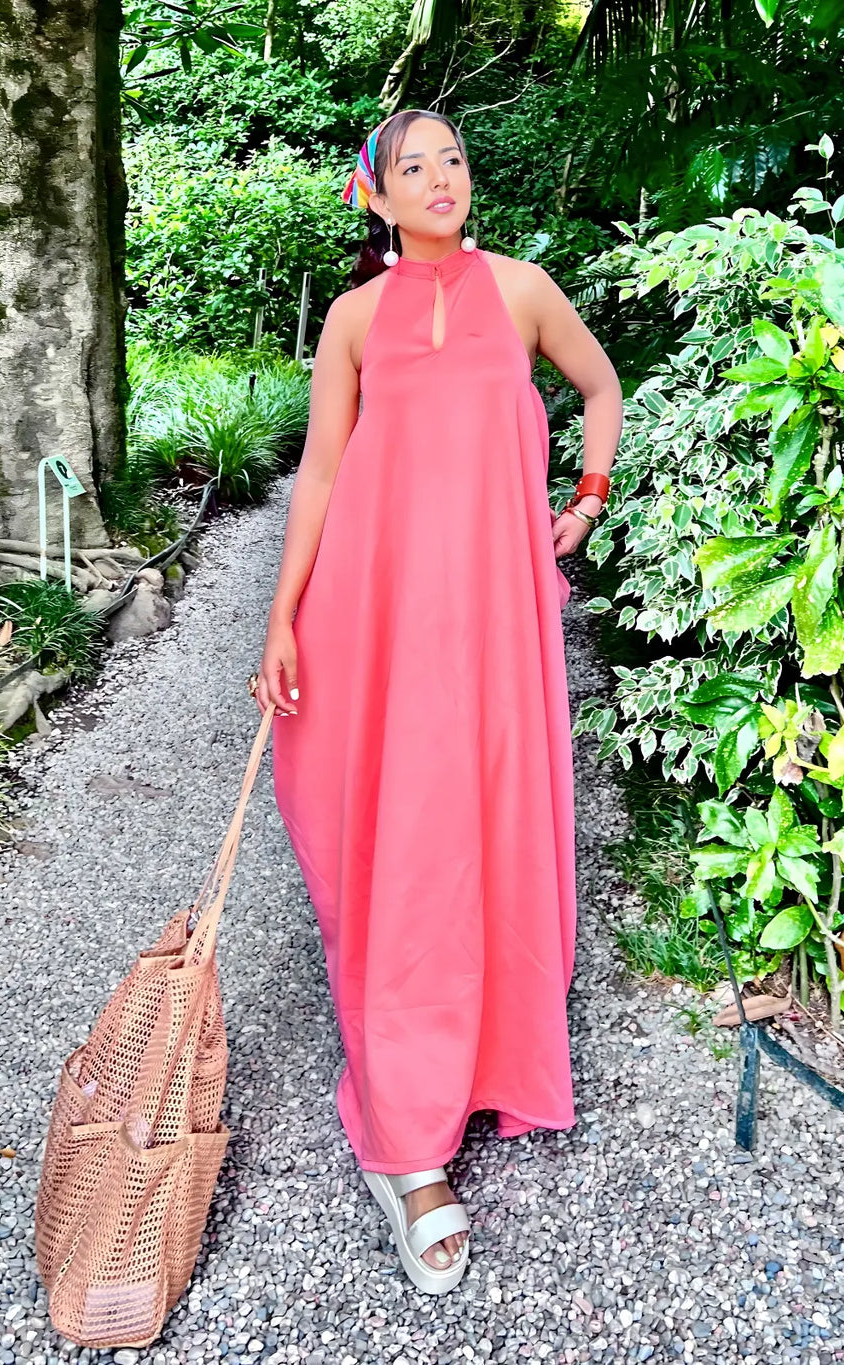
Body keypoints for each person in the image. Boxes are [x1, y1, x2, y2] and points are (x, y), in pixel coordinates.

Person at [254, 108, 623, 1294]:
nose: (441, 179)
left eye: (453, 159)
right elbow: (322, 469)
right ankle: (408, 1140)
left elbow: (600, 384)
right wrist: (280, 614)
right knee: (405, 849)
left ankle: (488, 1065)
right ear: (375, 196)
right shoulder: (355, 319)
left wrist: (586, 494)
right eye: (413, 167)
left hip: (499, 621)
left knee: (493, 834)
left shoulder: (520, 289)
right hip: (378, 620)